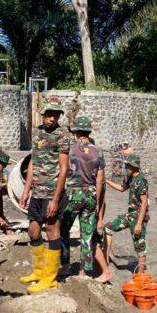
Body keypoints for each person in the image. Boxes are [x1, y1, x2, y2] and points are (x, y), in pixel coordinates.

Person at [19, 97, 70, 294]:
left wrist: (56, 200)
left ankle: (49, 278)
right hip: (37, 192)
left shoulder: (62, 136)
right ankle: (38, 272)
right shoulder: (37, 133)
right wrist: (26, 190)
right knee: (33, 230)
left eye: (55, 115)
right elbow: (33, 162)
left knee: (52, 231)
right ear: (43, 114)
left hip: (52, 192)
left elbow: (64, 170)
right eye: (49, 114)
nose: (52, 119)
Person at [60, 116, 106, 278]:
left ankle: (65, 266)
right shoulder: (98, 151)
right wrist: (98, 202)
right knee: (87, 234)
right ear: (88, 132)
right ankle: (83, 271)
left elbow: (63, 172)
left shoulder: (71, 150)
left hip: (73, 193)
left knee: (63, 230)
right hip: (91, 194)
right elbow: (100, 180)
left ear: (76, 132)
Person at [102, 153, 149, 280]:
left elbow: (144, 202)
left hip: (138, 217)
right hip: (130, 215)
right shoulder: (131, 178)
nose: (126, 168)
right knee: (108, 227)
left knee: (139, 245)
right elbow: (122, 188)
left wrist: (139, 224)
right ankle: (107, 258)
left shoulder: (141, 180)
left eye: (128, 166)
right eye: (126, 165)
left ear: (134, 167)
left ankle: (140, 275)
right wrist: (106, 181)